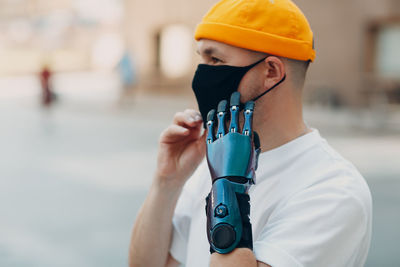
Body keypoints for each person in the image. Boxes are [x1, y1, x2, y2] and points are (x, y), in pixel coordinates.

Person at [129, 0, 372, 266]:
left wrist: (227, 187)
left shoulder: (333, 190)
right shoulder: (215, 163)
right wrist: (167, 181)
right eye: (202, 59)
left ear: (271, 72)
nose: (201, 75)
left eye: (215, 59)